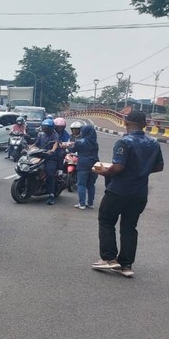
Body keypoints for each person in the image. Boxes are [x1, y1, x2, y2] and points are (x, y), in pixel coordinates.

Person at [92, 110, 163, 277]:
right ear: (145, 125)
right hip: (139, 193)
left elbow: (118, 167)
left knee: (106, 220)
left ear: (125, 122)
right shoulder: (154, 143)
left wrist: (104, 171)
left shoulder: (125, 142)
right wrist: (141, 171)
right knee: (129, 227)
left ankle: (109, 259)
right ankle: (126, 265)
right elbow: (159, 167)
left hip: (118, 190)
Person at [63, 125, 99, 210]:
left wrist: (67, 146)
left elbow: (72, 150)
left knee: (81, 184)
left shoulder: (80, 142)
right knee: (91, 185)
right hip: (94, 163)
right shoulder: (95, 142)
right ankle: (90, 203)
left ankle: (82, 203)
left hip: (83, 164)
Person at [31, 118, 59, 205]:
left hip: (50, 157)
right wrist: (30, 147)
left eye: (48, 128)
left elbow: (55, 143)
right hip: (40, 155)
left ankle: (51, 195)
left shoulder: (55, 135)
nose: (46, 129)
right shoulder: (41, 134)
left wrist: (52, 150)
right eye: (44, 127)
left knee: (49, 173)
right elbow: (36, 143)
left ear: (51, 128)